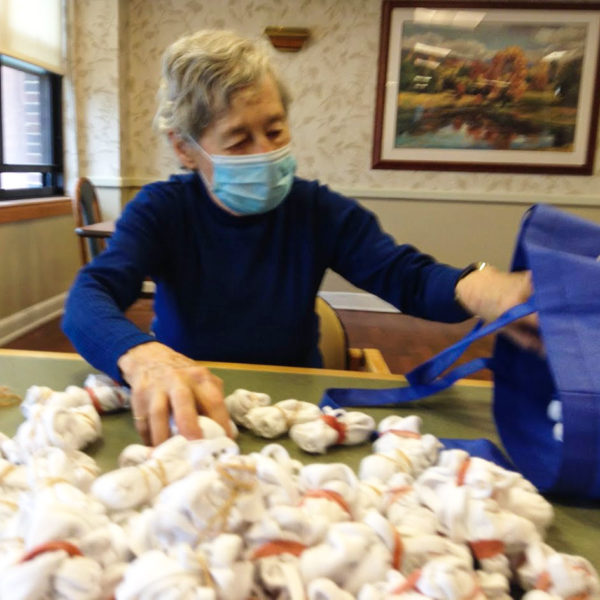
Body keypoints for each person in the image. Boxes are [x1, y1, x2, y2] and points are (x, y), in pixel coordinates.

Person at [62, 29, 539, 447]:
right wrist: (141, 356)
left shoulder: (318, 209)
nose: (266, 153)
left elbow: (403, 275)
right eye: (238, 141)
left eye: (274, 130)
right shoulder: (161, 209)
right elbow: (89, 296)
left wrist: (478, 285)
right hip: (189, 400)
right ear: (185, 149)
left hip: (290, 404)